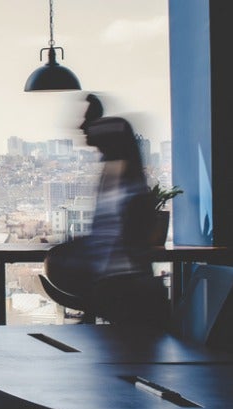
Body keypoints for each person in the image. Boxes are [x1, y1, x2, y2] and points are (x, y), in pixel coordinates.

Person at [68, 94, 165, 327]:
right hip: (119, 285)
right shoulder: (116, 177)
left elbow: (115, 237)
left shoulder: (120, 183)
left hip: (123, 288)